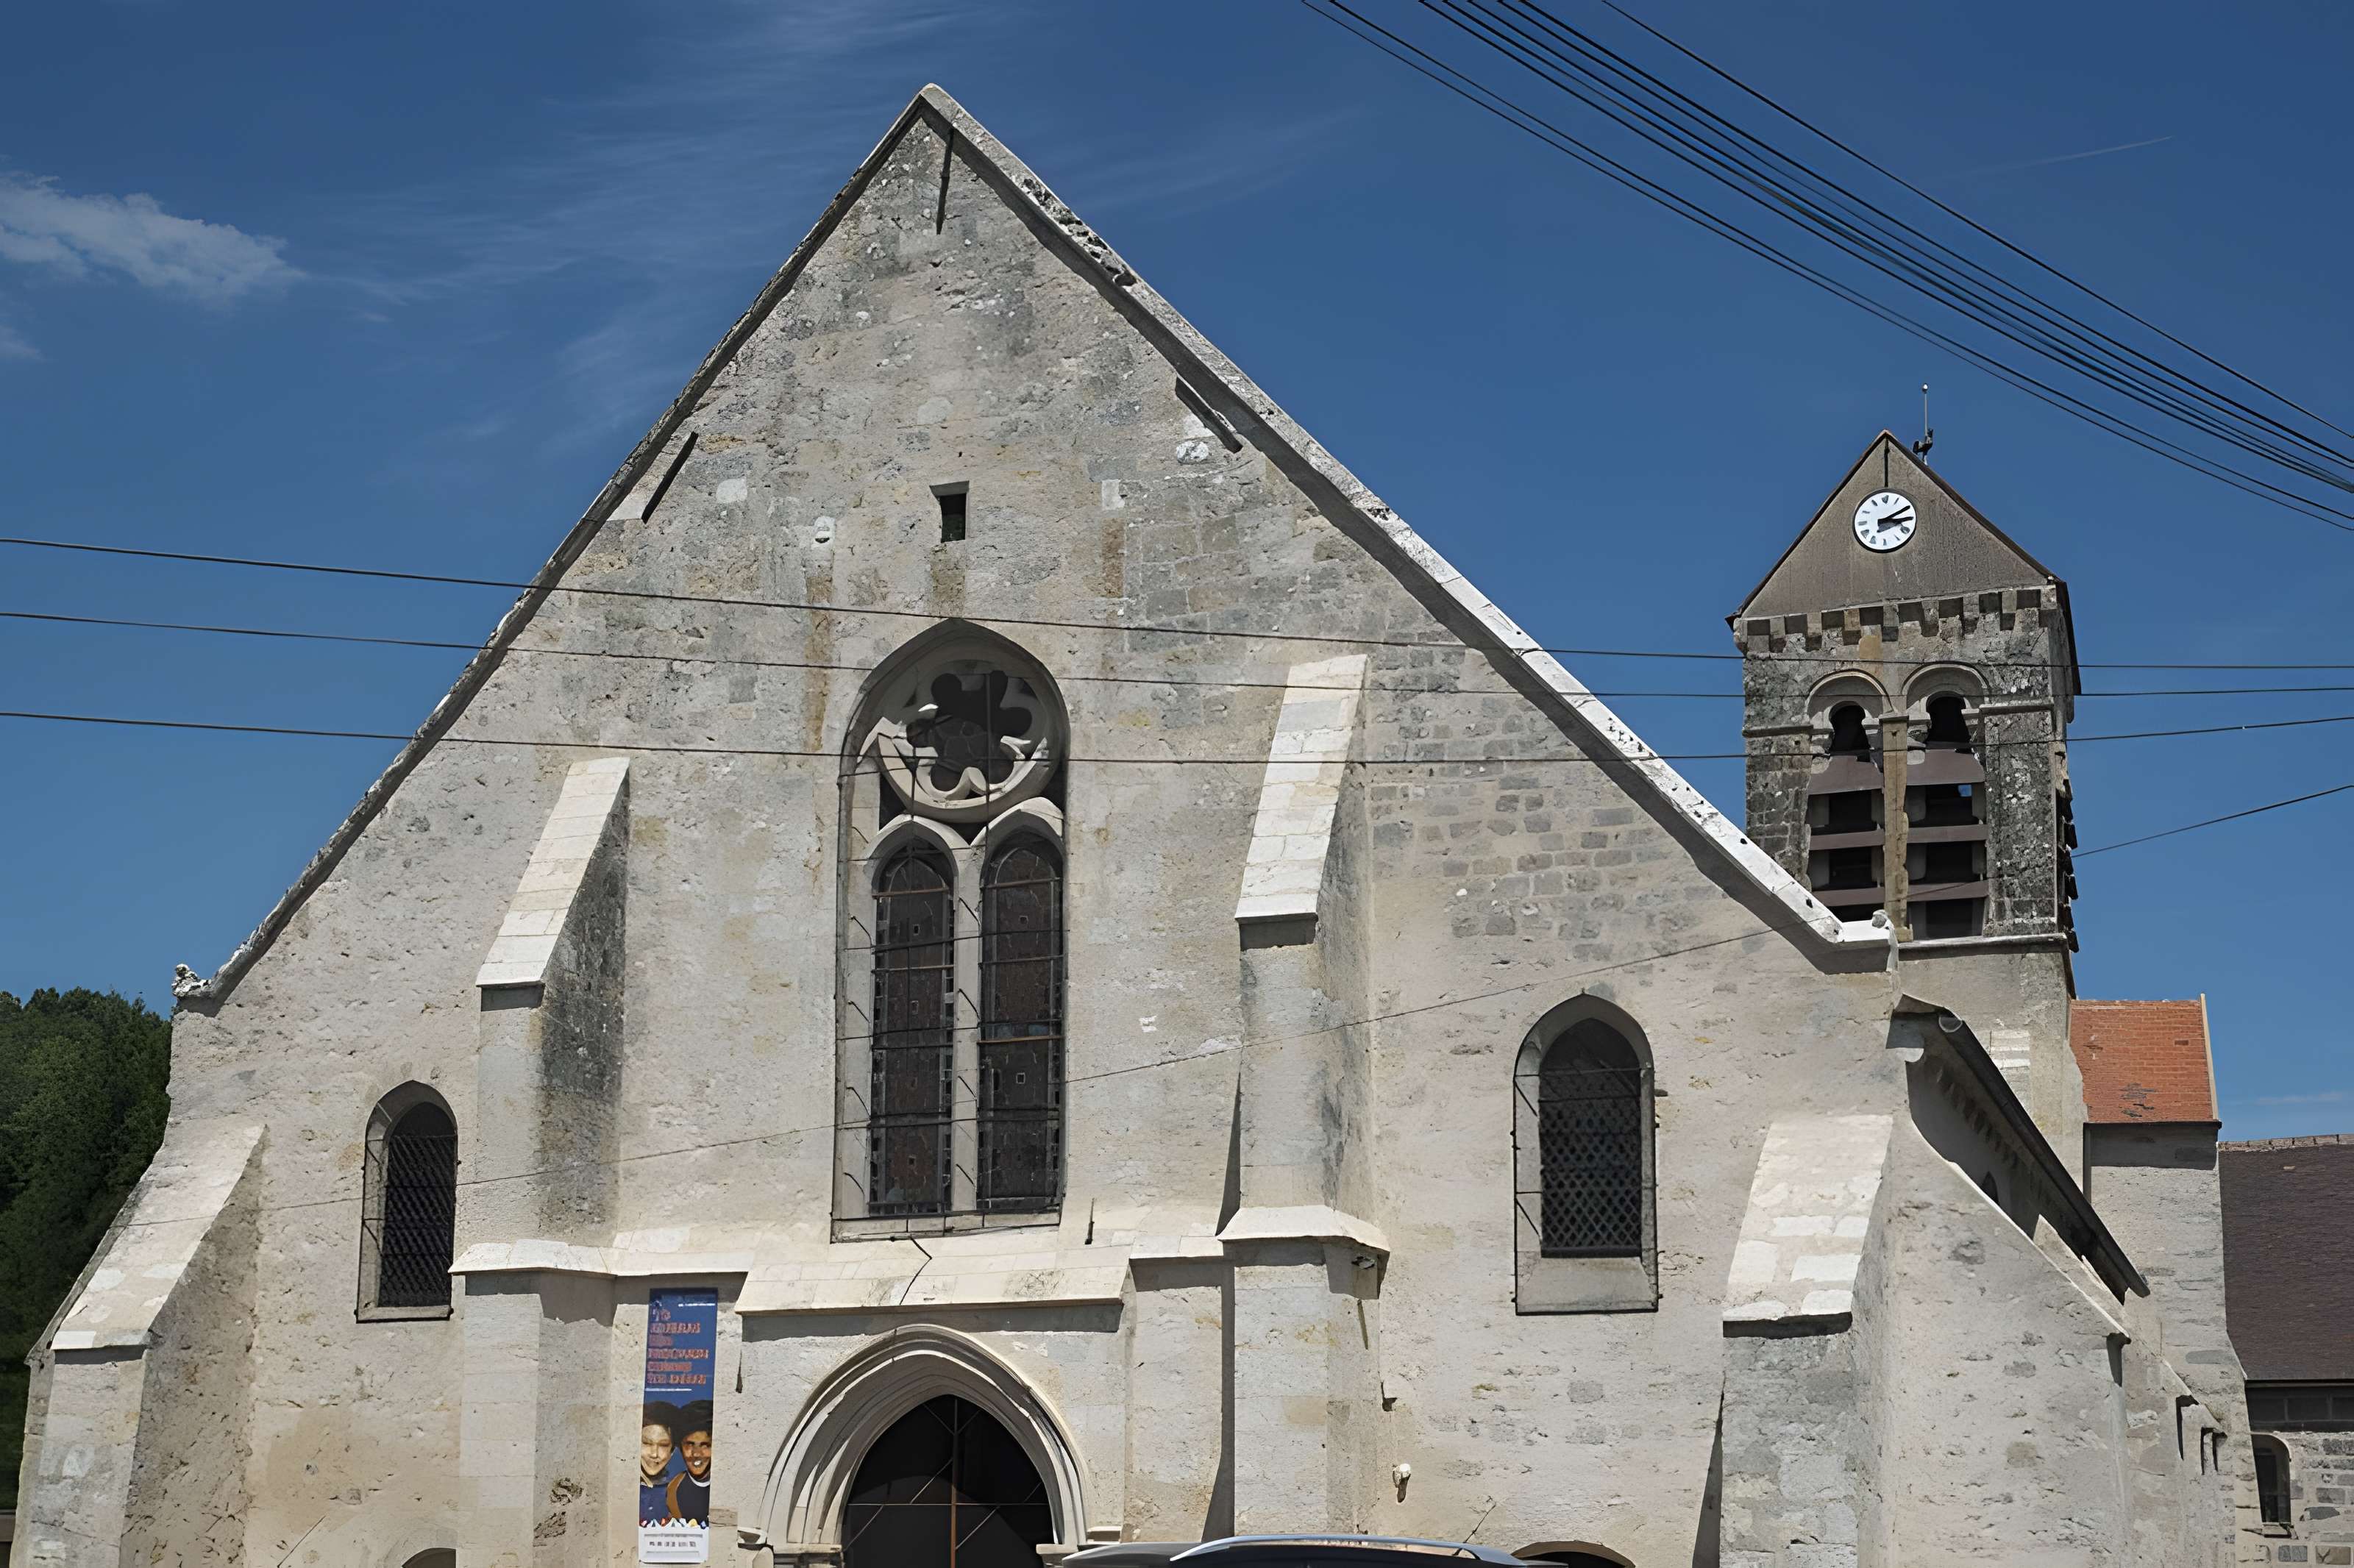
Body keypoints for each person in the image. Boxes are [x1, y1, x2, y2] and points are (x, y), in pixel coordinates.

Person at [666, 1403, 714, 1526]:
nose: (697, 1454)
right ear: (680, 1447)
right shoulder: (674, 1489)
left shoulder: (726, 1485)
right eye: (690, 1444)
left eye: (705, 1445)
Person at [639, 1404, 679, 1525]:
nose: (654, 1454)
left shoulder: (678, 1492)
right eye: (646, 1443)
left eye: (663, 1445)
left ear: (672, 1451)